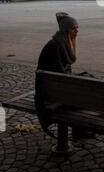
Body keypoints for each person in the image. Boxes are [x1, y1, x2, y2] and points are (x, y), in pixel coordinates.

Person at [36, 12, 94, 140]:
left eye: (77, 28)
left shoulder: (62, 43)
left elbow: (65, 73)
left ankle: (79, 131)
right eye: (74, 28)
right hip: (50, 95)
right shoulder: (54, 46)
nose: (77, 31)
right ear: (66, 30)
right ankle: (78, 131)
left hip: (55, 88)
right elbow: (62, 76)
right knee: (84, 97)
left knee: (88, 79)